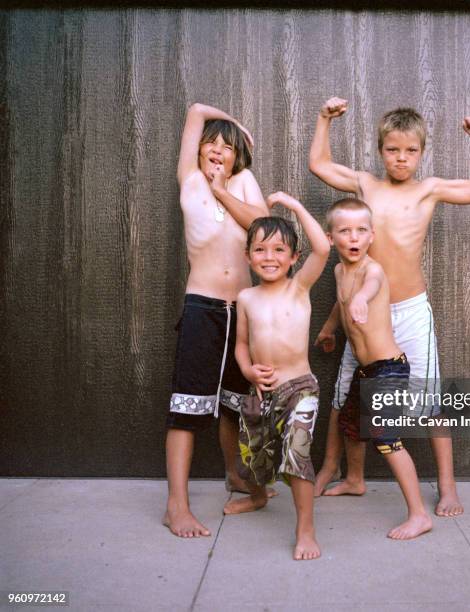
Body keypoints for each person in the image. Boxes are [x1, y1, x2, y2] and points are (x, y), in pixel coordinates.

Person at [310, 97, 470, 515]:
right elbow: (320, 166)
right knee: (345, 395)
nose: (401, 158)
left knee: (429, 400)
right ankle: (337, 471)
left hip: (410, 311)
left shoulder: (428, 190)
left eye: (410, 150)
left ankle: (448, 486)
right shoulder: (364, 185)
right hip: (364, 315)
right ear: (381, 150)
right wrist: (324, 119)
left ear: (421, 153)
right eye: (393, 149)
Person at [164, 103, 268, 538]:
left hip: (242, 310)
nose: (218, 150)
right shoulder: (188, 181)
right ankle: (177, 506)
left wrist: (225, 188)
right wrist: (236, 121)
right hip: (203, 308)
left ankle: (236, 476)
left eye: (228, 146)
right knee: (188, 408)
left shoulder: (242, 182)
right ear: (200, 150)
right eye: (212, 143)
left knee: (234, 406)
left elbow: (262, 224)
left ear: (236, 156)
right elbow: (193, 110)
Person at [223, 192, 330, 561]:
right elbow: (240, 344)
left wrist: (295, 206)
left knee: (296, 452)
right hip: (260, 390)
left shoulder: (298, 288)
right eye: (261, 250)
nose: (269, 258)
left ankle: (305, 529)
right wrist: (248, 369)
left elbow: (323, 249)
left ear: (293, 258)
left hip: (299, 388)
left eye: (279, 250)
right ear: (248, 256)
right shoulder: (247, 297)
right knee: (255, 455)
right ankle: (256, 497)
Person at [327, 197, 433, 539]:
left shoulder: (372, 270)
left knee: (387, 438)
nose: (353, 237)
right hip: (366, 369)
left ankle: (418, 514)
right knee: (352, 424)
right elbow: (341, 300)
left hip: (389, 369)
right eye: (345, 231)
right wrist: (329, 327)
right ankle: (354, 480)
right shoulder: (339, 271)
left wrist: (361, 299)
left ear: (372, 235)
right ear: (331, 238)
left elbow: (367, 289)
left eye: (361, 230)